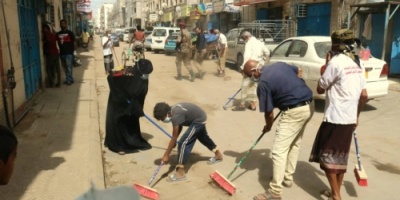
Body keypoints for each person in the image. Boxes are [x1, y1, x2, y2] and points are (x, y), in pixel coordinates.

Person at [309, 29, 368, 200]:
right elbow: (363, 95)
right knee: (340, 158)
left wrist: (327, 65)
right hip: (349, 118)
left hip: (335, 117)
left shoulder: (335, 63)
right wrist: (356, 116)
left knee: (327, 157)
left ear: (334, 45)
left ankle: (336, 195)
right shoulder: (357, 64)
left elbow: (320, 88)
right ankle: (336, 191)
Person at [242, 60, 314, 200]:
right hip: (309, 104)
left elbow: (269, 113)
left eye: (249, 75)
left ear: (254, 72)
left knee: (278, 151)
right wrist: (291, 90)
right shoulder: (278, 64)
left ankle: (275, 191)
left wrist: (268, 126)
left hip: (294, 112)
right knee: (294, 143)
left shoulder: (263, 84)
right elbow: (298, 70)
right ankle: (287, 177)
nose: (252, 79)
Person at [153, 102, 223, 182]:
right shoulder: (172, 112)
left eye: (162, 118)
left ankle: (180, 173)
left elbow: (174, 136)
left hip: (198, 120)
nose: (162, 120)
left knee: (183, 143)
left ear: (168, 113)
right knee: (202, 137)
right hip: (199, 116)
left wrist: (166, 155)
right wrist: (174, 141)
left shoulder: (176, 115)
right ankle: (218, 155)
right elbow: (178, 128)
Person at [104, 59, 153, 155]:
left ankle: (132, 141)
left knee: (130, 124)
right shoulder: (126, 74)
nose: (146, 75)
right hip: (118, 105)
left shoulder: (143, 78)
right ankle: (119, 146)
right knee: (119, 123)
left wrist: (137, 106)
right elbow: (110, 78)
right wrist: (120, 95)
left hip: (131, 107)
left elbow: (142, 92)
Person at [232, 31, 270, 111]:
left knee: (245, 85)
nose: (244, 40)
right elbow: (267, 52)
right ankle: (253, 105)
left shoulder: (249, 44)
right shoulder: (260, 43)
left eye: (243, 39)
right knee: (254, 86)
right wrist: (263, 62)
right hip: (257, 68)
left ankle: (242, 104)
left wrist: (242, 68)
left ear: (245, 37)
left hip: (250, 67)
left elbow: (246, 57)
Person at [56, 19, 76, 85]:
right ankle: (70, 78)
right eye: (62, 24)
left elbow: (74, 42)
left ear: (66, 24)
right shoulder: (58, 34)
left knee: (69, 67)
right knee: (64, 67)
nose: (63, 25)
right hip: (62, 53)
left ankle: (69, 80)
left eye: (64, 23)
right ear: (60, 25)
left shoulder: (70, 33)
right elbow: (55, 41)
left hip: (69, 53)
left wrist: (74, 51)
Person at [42, 23, 61, 88]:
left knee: (48, 69)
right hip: (56, 53)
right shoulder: (53, 35)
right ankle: (59, 82)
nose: (44, 30)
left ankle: (52, 83)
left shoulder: (47, 34)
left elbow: (48, 41)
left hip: (51, 54)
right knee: (57, 69)